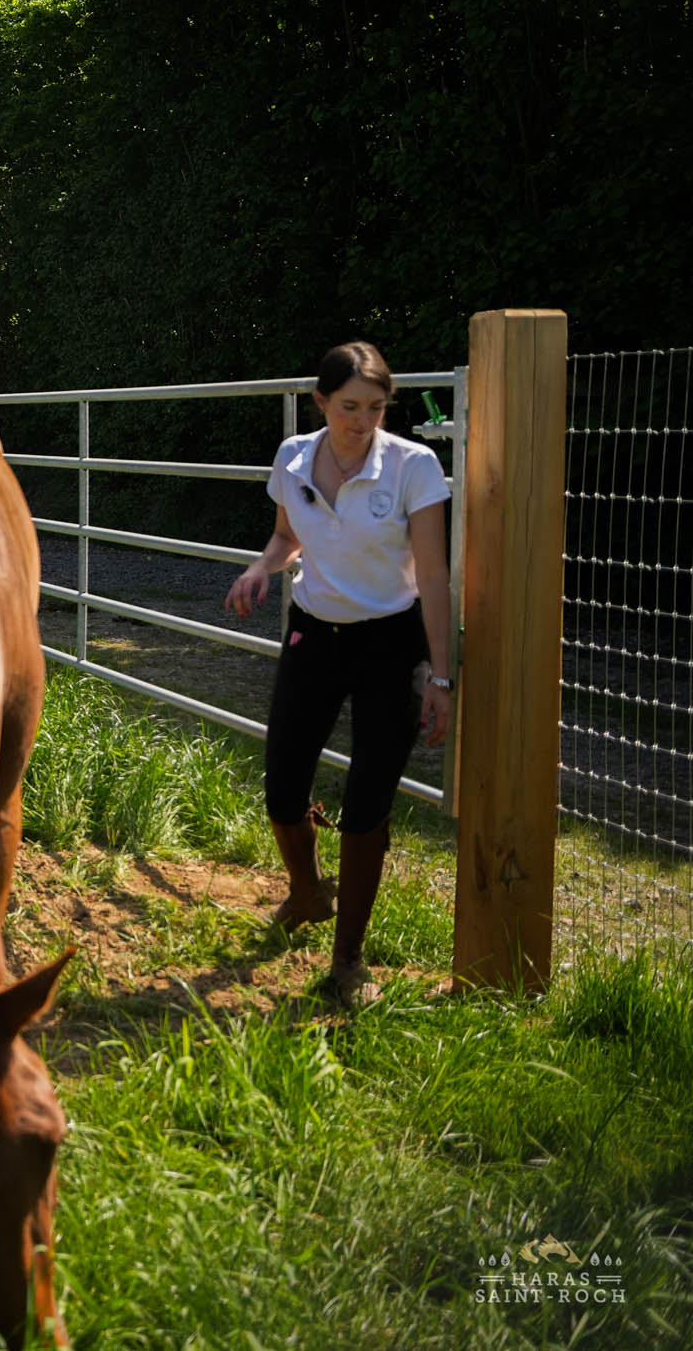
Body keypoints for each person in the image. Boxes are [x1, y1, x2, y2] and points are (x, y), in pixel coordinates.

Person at [225, 341, 454, 1004]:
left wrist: (440, 676)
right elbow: (285, 535)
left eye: (376, 407)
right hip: (313, 635)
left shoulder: (414, 466)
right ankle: (307, 891)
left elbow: (434, 575)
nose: (362, 420)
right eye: (349, 405)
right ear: (321, 400)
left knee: (366, 806)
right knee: (281, 785)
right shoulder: (294, 456)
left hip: (390, 642)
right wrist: (261, 566)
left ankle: (348, 958)